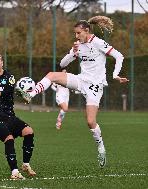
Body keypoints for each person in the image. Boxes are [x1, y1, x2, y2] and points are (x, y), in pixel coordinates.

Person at [18, 16, 129, 168]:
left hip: (95, 86)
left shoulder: (98, 42)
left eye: (78, 33)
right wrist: (73, 53)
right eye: (75, 33)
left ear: (86, 31)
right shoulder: (78, 45)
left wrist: (115, 75)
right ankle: (30, 94)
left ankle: (101, 148)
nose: (76, 36)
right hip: (81, 80)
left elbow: (119, 55)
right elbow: (62, 63)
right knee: (52, 75)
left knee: (90, 121)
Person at [0, 52, 36, 180]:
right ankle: (14, 172)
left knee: (29, 132)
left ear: (2, 62)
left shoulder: (9, 77)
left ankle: (26, 165)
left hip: (10, 117)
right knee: (9, 139)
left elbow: (11, 89)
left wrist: (23, 95)